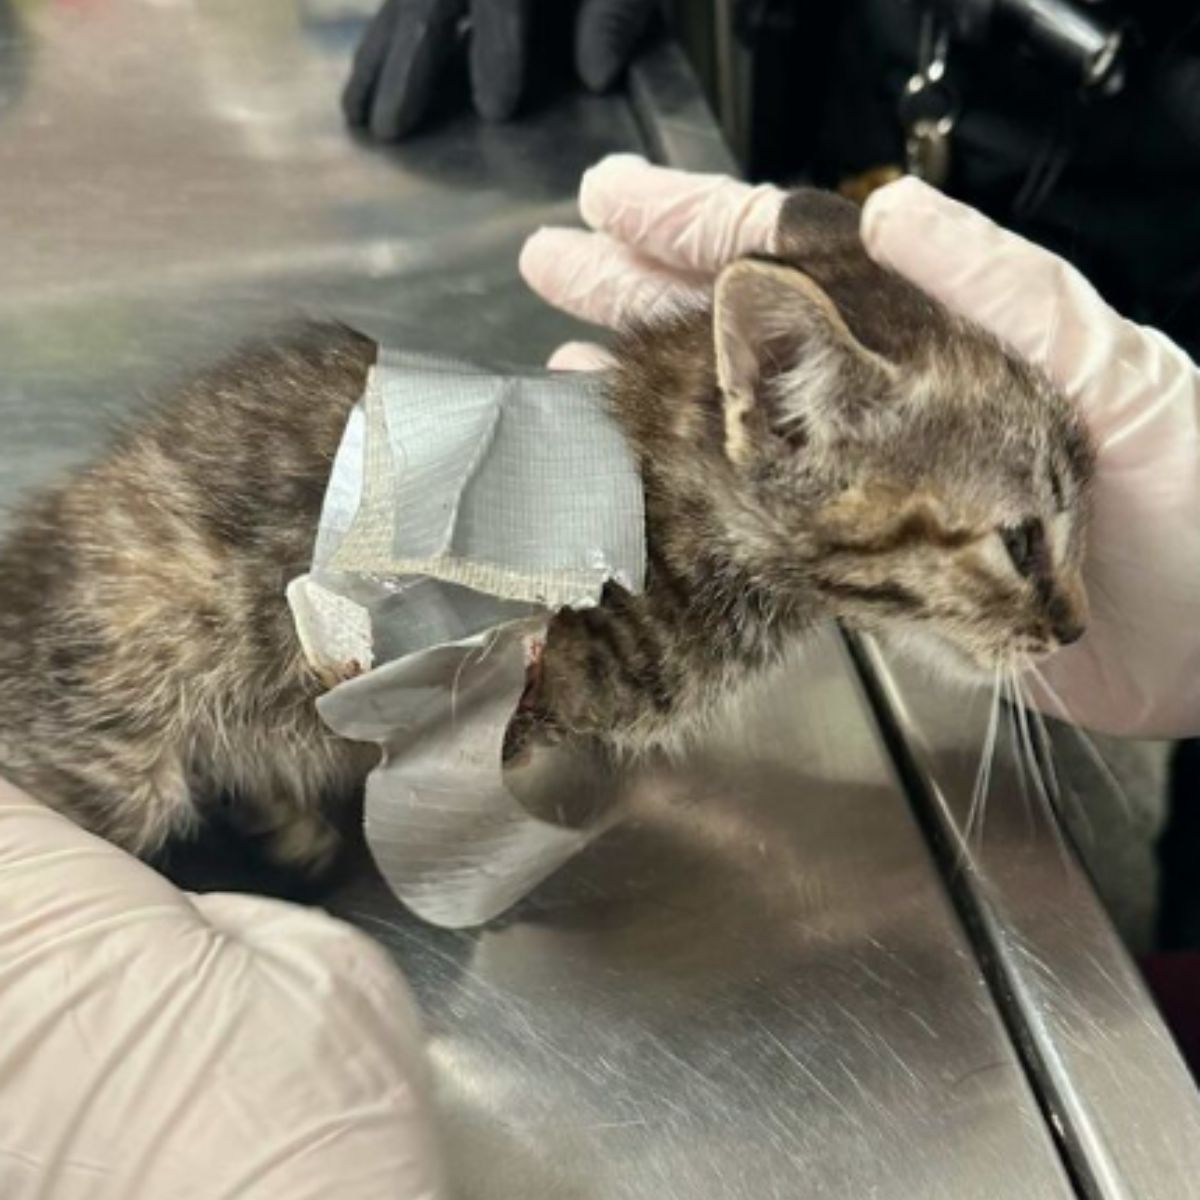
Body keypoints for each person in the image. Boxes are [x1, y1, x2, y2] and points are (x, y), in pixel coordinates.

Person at [5, 162, 1199, 1196]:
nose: (1071, 616)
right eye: (1022, 548)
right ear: (785, 422)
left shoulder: (705, 575)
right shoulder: (634, 594)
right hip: (153, 666)